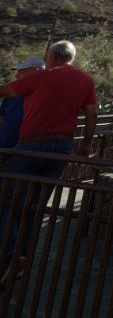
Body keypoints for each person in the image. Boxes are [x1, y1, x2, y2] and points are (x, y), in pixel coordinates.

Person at [0, 41, 97, 285]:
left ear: (51, 57)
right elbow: (92, 112)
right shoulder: (85, 79)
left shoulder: (43, 77)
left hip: (32, 145)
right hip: (61, 150)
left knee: (9, 198)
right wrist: (86, 143)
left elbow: (6, 91)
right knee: (36, 204)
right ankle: (21, 256)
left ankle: (6, 257)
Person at [0, 56, 43, 150]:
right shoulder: (12, 94)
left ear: (35, 71)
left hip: (23, 149)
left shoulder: (41, 94)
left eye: (21, 71)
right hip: (6, 145)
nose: (16, 75)